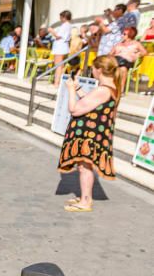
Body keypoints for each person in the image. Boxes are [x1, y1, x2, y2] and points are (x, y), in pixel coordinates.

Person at [58, 55, 119, 212]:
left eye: (93, 68)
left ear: (99, 70)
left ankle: (86, 201)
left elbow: (75, 109)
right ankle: (85, 197)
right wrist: (78, 88)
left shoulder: (103, 89)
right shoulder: (110, 88)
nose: (92, 71)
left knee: (85, 167)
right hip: (93, 133)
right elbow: (91, 103)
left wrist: (70, 90)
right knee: (83, 166)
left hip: (90, 135)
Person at [110, 25, 148, 96]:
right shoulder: (119, 44)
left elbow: (145, 52)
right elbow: (110, 53)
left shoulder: (136, 43)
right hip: (116, 60)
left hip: (126, 62)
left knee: (123, 69)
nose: (122, 35)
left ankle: (120, 90)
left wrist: (137, 55)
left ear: (130, 35)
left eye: (124, 34)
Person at [49, 11, 73, 86]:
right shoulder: (67, 25)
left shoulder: (65, 25)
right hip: (62, 46)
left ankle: (56, 83)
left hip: (60, 47)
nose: (60, 18)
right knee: (60, 66)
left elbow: (58, 36)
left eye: (61, 17)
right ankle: (58, 82)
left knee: (58, 65)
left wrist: (51, 31)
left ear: (64, 17)